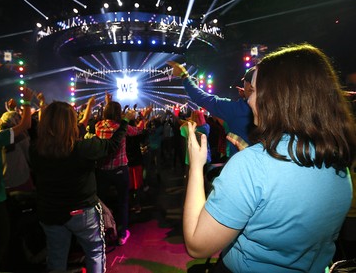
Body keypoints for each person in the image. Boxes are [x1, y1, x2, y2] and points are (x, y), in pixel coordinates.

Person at [182, 44, 356, 273]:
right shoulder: (339, 160)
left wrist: (196, 165)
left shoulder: (252, 166)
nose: (248, 101)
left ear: (276, 97)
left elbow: (197, 245)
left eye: (253, 92)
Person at [29, 98, 135, 273]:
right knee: (94, 252)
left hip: (49, 212)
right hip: (81, 211)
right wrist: (124, 122)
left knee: (56, 257)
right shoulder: (83, 148)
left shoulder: (35, 149)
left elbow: (69, 133)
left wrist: (90, 109)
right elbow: (112, 145)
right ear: (71, 123)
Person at [0, 88, 33, 271]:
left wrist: (9, 110)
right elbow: (24, 125)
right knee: (1, 245)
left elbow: (6, 124)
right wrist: (27, 101)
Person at [167, 61, 254, 158]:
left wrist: (184, 75)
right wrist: (248, 95)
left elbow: (202, 98)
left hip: (240, 166)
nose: (243, 86)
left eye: (244, 83)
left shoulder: (238, 109)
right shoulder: (269, 107)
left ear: (251, 86)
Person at [95, 100, 149, 246]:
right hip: (120, 170)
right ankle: (122, 234)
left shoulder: (98, 126)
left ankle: (102, 233)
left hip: (102, 171)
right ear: (119, 113)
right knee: (122, 202)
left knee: (101, 203)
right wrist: (143, 118)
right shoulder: (122, 128)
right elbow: (138, 131)